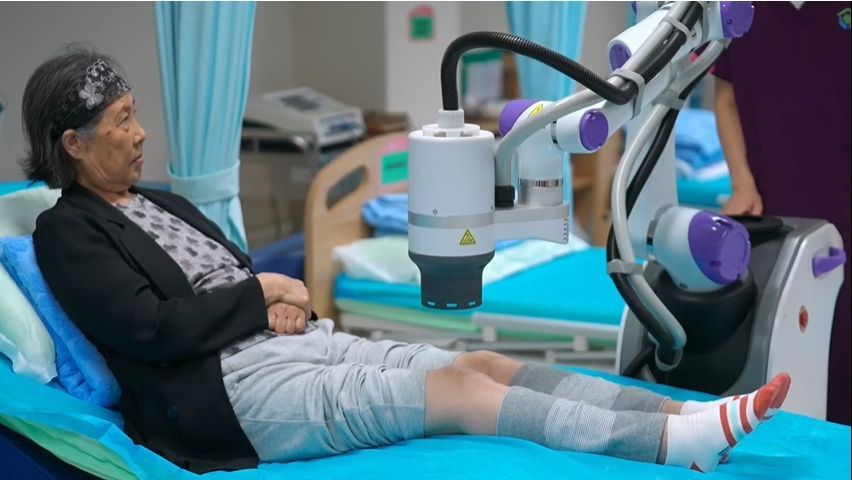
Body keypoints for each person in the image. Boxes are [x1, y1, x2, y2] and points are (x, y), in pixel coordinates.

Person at [24, 46, 790, 475]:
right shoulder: (66, 232)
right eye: (121, 122)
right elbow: (152, 329)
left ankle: (681, 415)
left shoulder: (161, 201)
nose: (140, 134)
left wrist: (285, 301)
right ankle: (671, 448)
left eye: (135, 116)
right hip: (225, 398)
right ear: (73, 144)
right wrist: (265, 293)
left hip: (291, 344)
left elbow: (237, 281)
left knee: (481, 362)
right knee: (456, 392)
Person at [714, 1, 850, 425]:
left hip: (841, 196)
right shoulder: (741, 11)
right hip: (772, 209)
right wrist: (741, 183)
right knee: (782, 346)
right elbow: (726, 98)